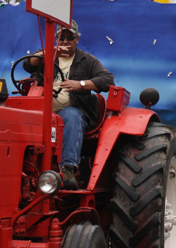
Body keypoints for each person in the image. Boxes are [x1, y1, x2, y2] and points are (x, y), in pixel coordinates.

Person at [23, 20, 114, 190]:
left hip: (70, 111)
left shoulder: (86, 60)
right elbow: (28, 63)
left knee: (72, 115)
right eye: (61, 37)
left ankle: (69, 170)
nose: (65, 41)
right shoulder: (46, 55)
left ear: (77, 39)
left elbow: (107, 80)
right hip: (42, 109)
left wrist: (80, 84)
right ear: (56, 38)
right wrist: (49, 52)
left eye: (69, 37)